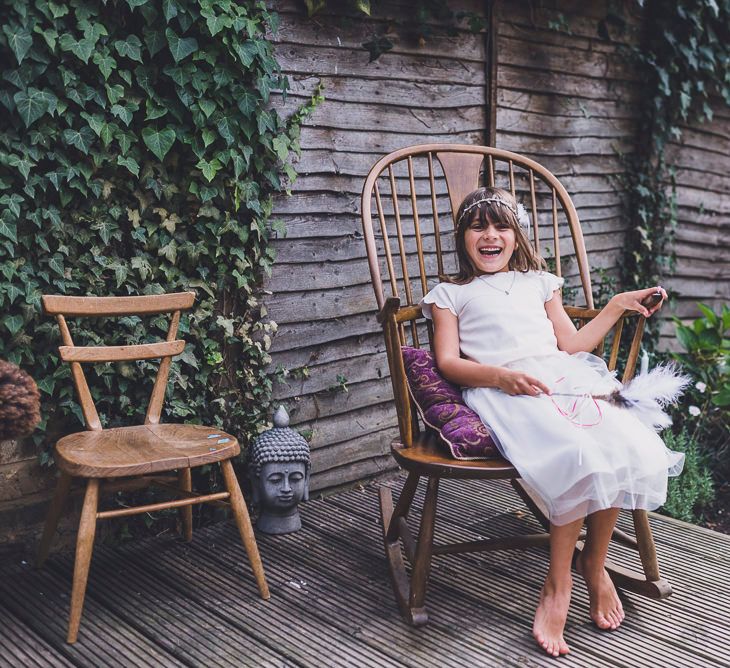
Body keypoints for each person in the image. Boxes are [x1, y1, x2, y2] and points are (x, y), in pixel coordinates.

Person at [421, 186, 684, 658]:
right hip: (503, 389)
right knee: (577, 452)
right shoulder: (450, 294)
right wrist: (500, 376)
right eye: (478, 227)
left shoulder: (540, 282)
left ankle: (594, 563)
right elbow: (447, 362)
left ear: (516, 234)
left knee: (624, 442)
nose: (490, 235)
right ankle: (558, 582)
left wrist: (617, 304)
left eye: (501, 225)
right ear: (462, 237)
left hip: (561, 377)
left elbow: (573, 345)